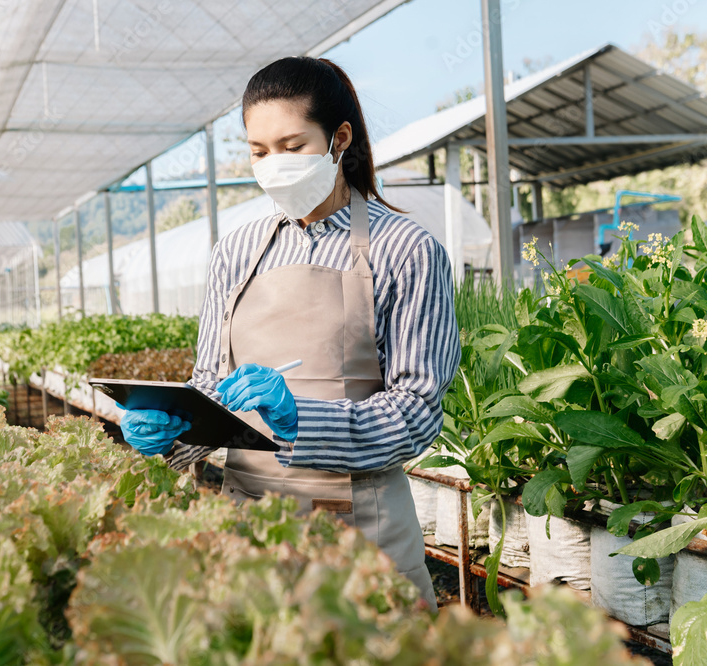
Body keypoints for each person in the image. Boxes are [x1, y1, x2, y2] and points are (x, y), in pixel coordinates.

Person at [117, 56, 461, 611]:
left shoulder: (408, 250)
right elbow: (211, 383)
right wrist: (173, 430)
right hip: (251, 527)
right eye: (258, 151)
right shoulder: (236, 251)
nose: (273, 164)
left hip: (361, 534)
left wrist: (303, 419)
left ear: (338, 139)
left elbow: (417, 414)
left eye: (292, 145)